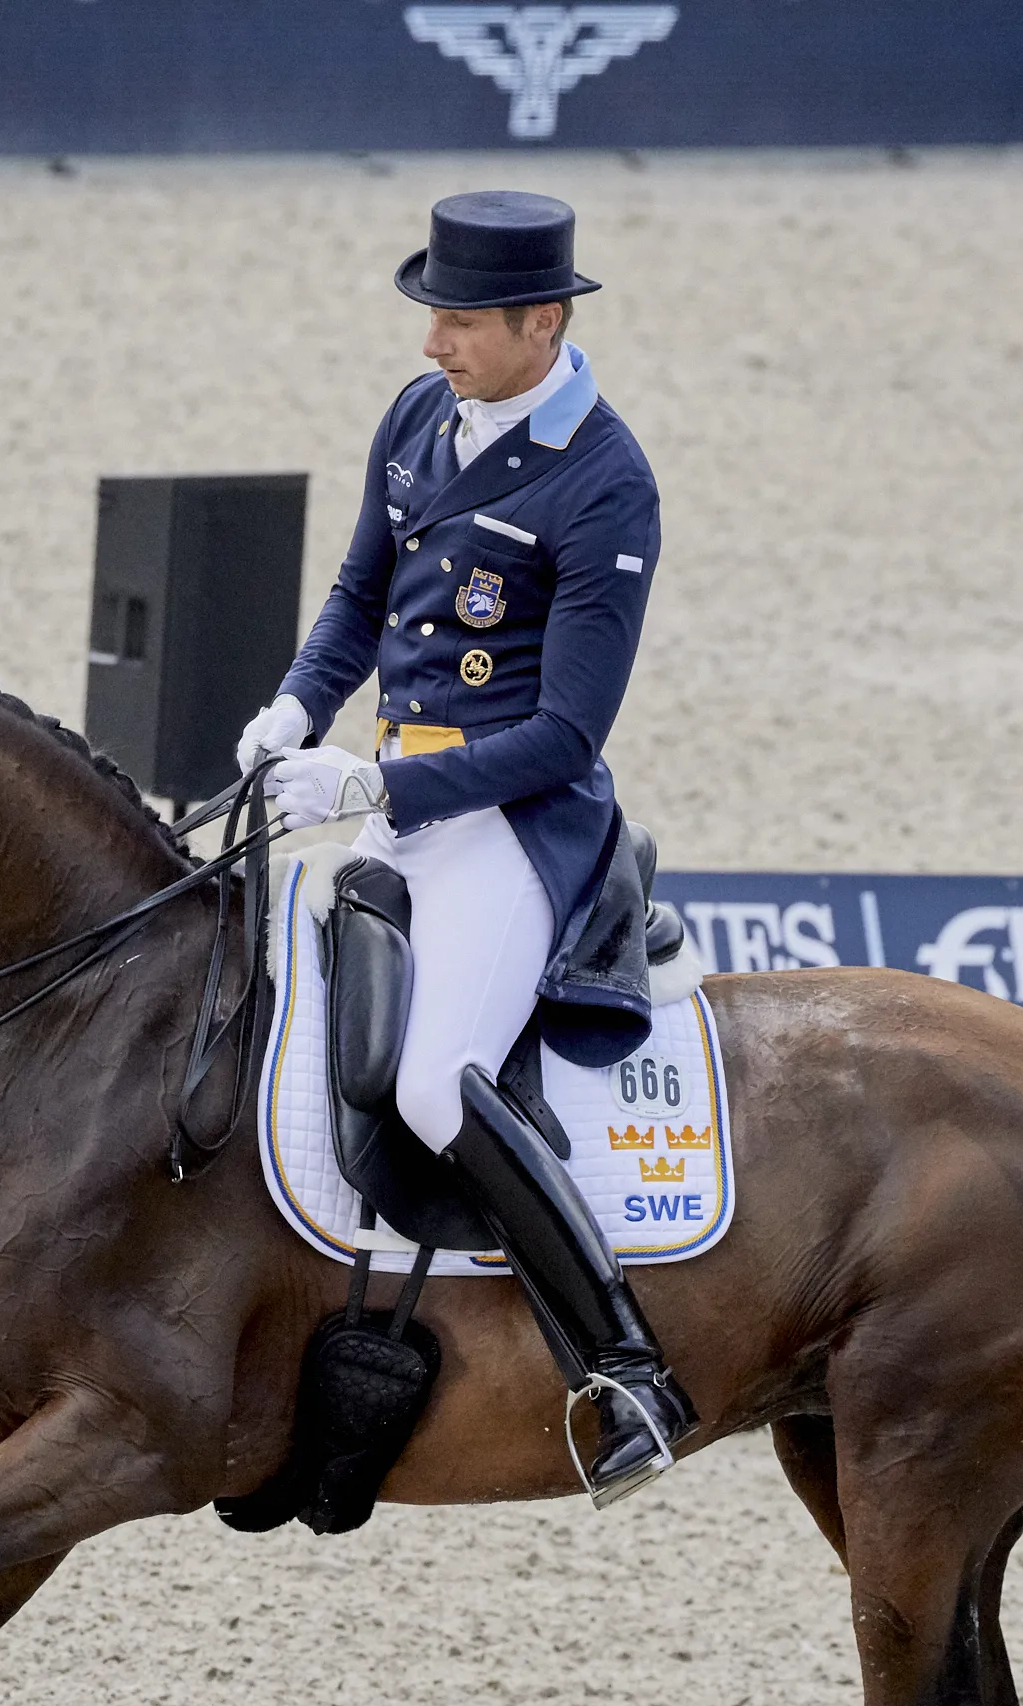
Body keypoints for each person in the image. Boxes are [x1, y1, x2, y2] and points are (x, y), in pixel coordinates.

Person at [235, 189, 694, 1507]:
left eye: (458, 318)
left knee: (438, 1081)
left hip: (508, 827)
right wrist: (293, 706)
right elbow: (359, 595)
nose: (434, 339)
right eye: (431, 312)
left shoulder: (604, 481)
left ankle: (622, 1368)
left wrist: (377, 781)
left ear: (540, 321)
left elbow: (566, 731)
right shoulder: (416, 417)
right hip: (386, 802)